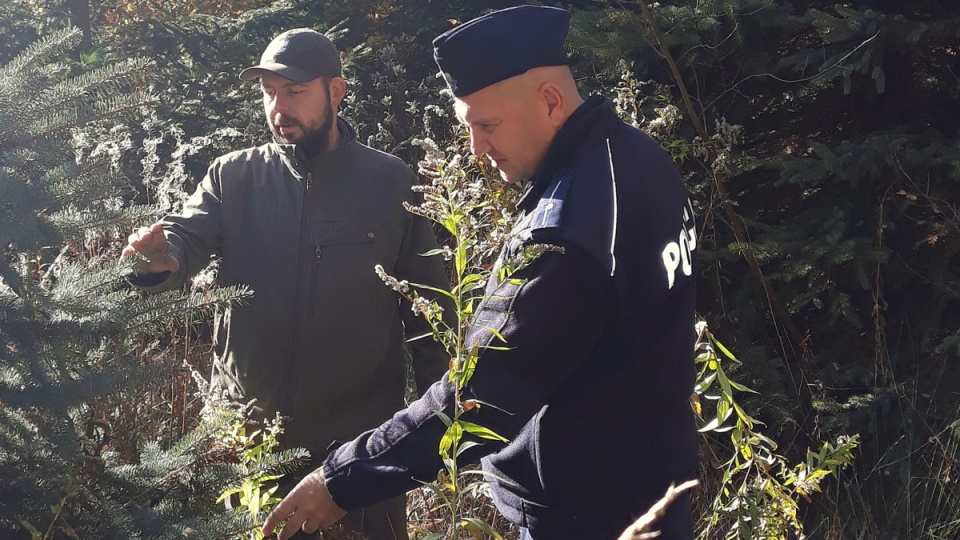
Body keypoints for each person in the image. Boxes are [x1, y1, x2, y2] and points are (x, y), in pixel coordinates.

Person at [261, 6, 699, 540]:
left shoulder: (567, 234)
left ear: (550, 102)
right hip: (655, 485)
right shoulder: (638, 158)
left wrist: (340, 481)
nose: (477, 149)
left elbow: (476, 400)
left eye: (487, 125)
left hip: (587, 514)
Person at [122, 28, 452, 540]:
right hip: (250, 443)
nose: (279, 107)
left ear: (335, 92)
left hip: (359, 451)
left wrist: (439, 429)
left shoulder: (391, 184)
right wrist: (158, 261)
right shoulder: (233, 178)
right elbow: (184, 240)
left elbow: (431, 313)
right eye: (269, 93)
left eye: (294, 92)